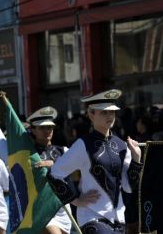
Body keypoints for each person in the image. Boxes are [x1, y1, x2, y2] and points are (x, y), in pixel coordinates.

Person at [47, 89, 143, 234]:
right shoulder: (83, 144)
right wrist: (75, 200)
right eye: (103, 112)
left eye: (112, 112)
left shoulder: (122, 145)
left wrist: (136, 159)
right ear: (91, 114)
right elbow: (54, 174)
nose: (109, 115)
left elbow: (128, 187)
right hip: (91, 217)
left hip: (119, 219)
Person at [26, 106, 72, 234]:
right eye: (42, 127)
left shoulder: (64, 151)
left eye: (50, 127)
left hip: (63, 207)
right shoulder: (29, 155)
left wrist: (54, 164)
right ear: (33, 130)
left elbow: (75, 175)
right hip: (42, 207)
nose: (47, 130)